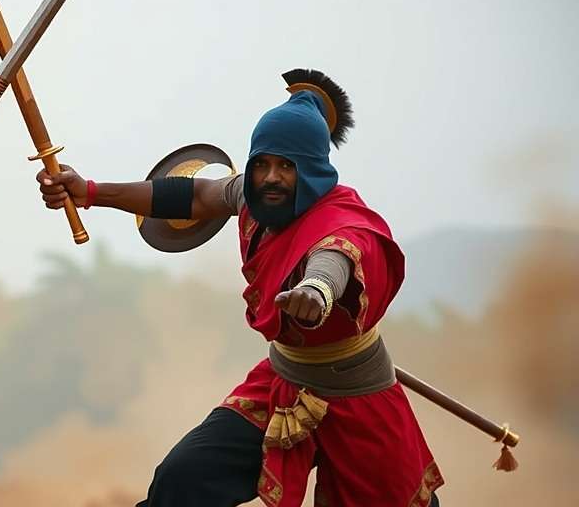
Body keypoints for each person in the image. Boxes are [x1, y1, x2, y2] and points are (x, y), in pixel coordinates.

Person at [35, 69, 442, 506]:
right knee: (182, 479)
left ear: (313, 169)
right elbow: (194, 196)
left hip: (356, 396)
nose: (270, 177)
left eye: (286, 166)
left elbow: (335, 259)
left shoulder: (342, 224)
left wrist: (316, 291)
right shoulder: (252, 195)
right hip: (283, 380)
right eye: (262, 163)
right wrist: (92, 191)